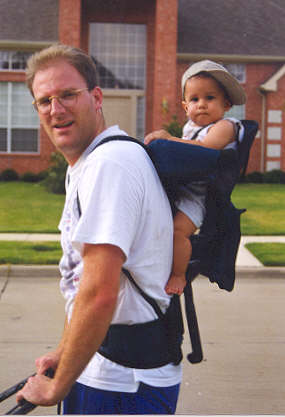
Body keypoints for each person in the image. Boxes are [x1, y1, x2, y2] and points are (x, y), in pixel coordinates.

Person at [16, 43, 182, 415]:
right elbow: (80, 280)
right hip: (108, 370)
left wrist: (57, 386)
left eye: (68, 95)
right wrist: (64, 352)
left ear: (96, 97)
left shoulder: (111, 164)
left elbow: (99, 294)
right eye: (44, 101)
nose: (56, 110)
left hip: (122, 385)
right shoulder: (92, 163)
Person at [145, 60, 246, 296]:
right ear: (184, 106)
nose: (201, 105)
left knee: (177, 232)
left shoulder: (227, 126)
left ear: (226, 104)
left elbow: (206, 148)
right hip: (180, 189)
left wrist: (168, 141)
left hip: (199, 196)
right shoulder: (189, 128)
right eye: (194, 99)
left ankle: (178, 276)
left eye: (210, 98)